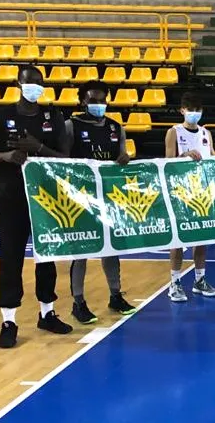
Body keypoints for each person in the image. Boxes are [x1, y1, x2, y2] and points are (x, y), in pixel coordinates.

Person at [0, 65, 74, 348]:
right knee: (10, 260)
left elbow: (65, 158)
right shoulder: (1, 115)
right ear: (18, 84)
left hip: (46, 198)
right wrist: (7, 155)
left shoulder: (53, 116)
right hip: (11, 198)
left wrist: (38, 148)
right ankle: (9, 321)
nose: (35, 87)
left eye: (39, 83)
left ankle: (47, 313)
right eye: (30, 82)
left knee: (46, 258)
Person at [66, 81, 137, 324]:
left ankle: (115, 296)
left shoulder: (116, 127)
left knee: (111, 247)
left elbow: (120, 156)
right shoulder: (71, 126)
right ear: (82, 102)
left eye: (102, 100)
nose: (98, 104)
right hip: (80, 197)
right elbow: (61, 160)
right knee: (82, 252)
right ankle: (78, 302)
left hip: (107, 196)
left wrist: (124, 158)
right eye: (93, 100)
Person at [165, 92, 215, 302]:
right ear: (182, 111)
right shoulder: (174, 132)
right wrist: (185, 156)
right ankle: (174, 283)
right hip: (181, 191)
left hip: (203, 192)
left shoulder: (206, 132)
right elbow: (167, 163)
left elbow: (213, 158)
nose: (194, 113)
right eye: (190, 110)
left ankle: (199, 279)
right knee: (178, 239)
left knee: (202, 239)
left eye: (198, 110)